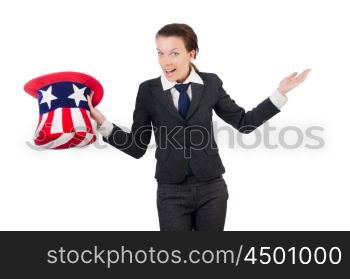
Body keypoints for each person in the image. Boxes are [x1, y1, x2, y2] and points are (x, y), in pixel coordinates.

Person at [87, 23, 311, 231]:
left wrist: (279, 94)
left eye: (174, 53)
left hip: (211, 188)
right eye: (160, 53)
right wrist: (103, 123)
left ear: (191, 53)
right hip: (170, 191)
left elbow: (244, 123)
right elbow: (137, 148)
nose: (166, 61)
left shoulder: (211, 83)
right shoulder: (148, 91)